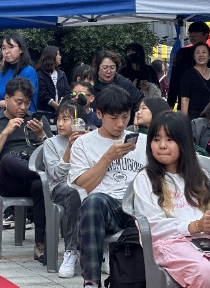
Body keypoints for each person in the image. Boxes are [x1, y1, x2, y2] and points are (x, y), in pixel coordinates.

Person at [134, 111, 210, 288]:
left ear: (184, 143)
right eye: (156, 139)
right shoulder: (145, 179)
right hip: (170, 245)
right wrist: (194, 226)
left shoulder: (200, 176)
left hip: (209, 242)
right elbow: (151, 227)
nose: (162, 145)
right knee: (204, 274)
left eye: (170, 139)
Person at [69, 85, 147, 287]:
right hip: (107, 208)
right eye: (113, 118)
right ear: (99, 114)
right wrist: (108, 157)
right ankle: (91, 282)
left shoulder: (145, 142)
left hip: (141, 205)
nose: (120, 124)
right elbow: (85, 185)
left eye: (125, 116)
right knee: (93, 202)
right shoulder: (83, 144)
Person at [0, 77, 52, 263]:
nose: (23, 107)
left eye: (27, 103)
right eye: (19, 102)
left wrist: (41, 135)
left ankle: (41, 245)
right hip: (8, 179)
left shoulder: (37, 121)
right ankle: (41, 173)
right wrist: (5, 132)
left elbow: (54, 154)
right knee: (9, 159)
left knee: (40, 185)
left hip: (33, 177)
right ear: (7, 98)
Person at [42, 101, 86, 278]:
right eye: (58, 118)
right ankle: (71, 251)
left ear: (77, 122)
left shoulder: (88, 139)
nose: (60, 123)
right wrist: (69, 148)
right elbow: (55, 175)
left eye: (66, 119)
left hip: (84, 185)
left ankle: (103, 249)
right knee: (74, 193)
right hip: (60, 188)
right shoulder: (51, 143)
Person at [168, 22, 210, 109]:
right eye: (190, 32)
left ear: (205, 35)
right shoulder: (182, 54)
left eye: (196, 32)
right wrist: (170, 103)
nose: (192, 35)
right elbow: (174, 79)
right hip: (185, 103)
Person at [0, 32, 38, 112]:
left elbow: (27, 99)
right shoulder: (2, 73)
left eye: (11, 47)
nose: (6, 51)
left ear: (21, 49)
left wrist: (7, 104)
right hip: (2, 115)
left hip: (23, 116)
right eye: (3, 48)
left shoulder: (29, 72)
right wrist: (2, 103)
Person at [92, 50, 143, 121]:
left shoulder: (123, 83)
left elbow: (140, 100)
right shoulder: (90, 82)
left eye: (112, 67)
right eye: (105, 67)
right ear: (97, 67)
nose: (109, 71)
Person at [179, 42, 210, 119]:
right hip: (194, 117)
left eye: (204, 52)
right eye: (197, 52)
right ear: (194, 56)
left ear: (209, 56)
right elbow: (185, 99)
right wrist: (184, 120)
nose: (201, 55)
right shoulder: (188, 74)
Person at [36, 46, 70, 116]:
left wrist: (62, 100)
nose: (60, 57)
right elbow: (41, 92)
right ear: (52, 56)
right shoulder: (40, 74)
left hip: (61, 112)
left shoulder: (62, 74)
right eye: (58, 55)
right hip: (45, 112)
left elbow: (67, 90)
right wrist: (53, 104)